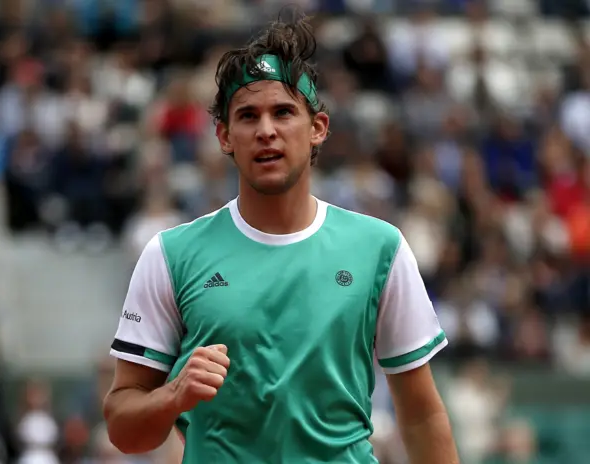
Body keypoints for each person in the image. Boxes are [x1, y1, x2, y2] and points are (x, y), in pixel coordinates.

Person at [103, 11, 459, 464]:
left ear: (318, 128)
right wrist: (173, 395)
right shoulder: (170, 255)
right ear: (224, 135)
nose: (266, 130)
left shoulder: (380, 249)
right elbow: (123, 429)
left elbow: (422, 416)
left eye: (284, 112)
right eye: (248, 116)